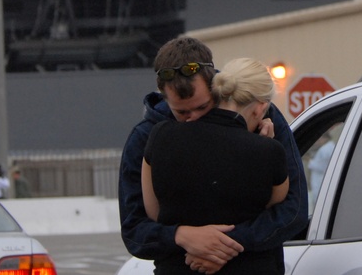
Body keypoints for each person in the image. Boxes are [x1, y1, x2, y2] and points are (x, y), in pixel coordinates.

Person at [119, 37, 307, 274]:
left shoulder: (258, 114)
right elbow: (134, 232)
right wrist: (182, 236)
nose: (193, 118)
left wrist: (221, 245)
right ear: (164, 98)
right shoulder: (145, 137)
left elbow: (293, 211)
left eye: (202, 107)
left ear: (215, 86)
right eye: (182, 112)